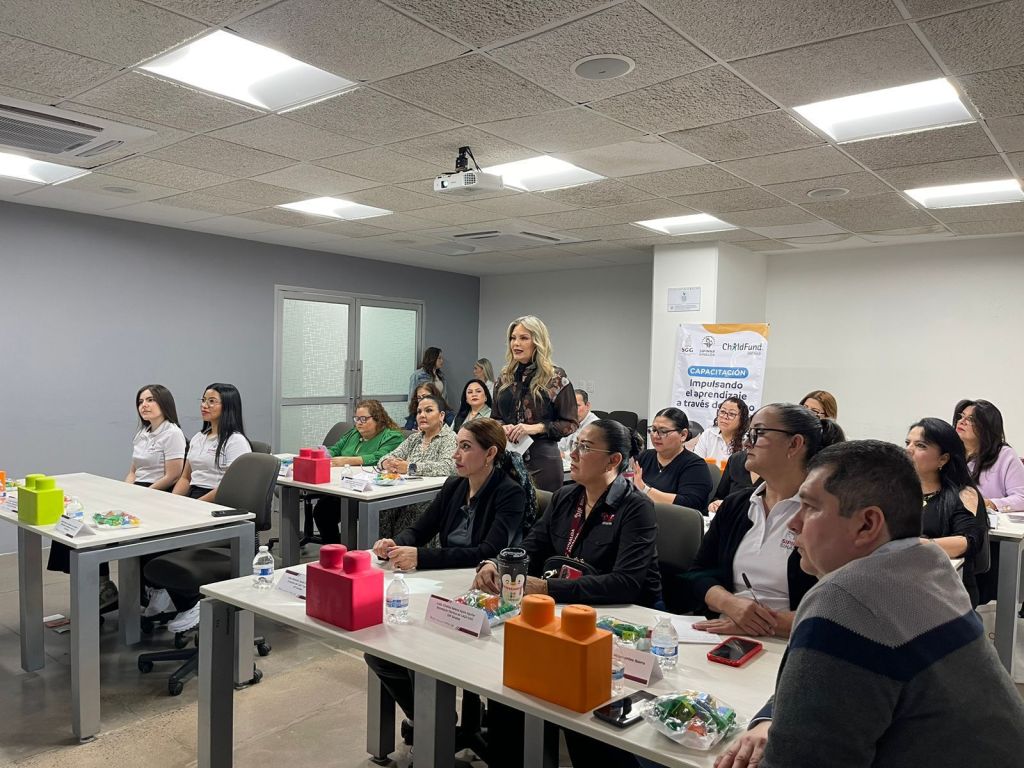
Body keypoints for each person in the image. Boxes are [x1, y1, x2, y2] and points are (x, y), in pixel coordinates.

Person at [715, 440, 1024, 768]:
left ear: (867, 524)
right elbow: (823, 688)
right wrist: (770, 718)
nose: (794, 522)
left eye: (810, 507)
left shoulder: (843, 600)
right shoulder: (927, 566)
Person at [474, 419, 658, 768]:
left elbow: (625, 583)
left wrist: (547, 588)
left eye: (585, 447)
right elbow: (532, 546)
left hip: (621, 620)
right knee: (508, 685)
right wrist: (499, 564)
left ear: (613, 460)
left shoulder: (636, 507)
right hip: (566, 613)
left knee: (572, 696)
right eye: (576, 444)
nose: (573, 453)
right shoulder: (566, 496)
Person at [365, 418, 535, 741]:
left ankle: (438, 729)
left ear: (490, 454)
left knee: (419, 644)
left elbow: (487, 552)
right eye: (457, 445)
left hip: (480, 592)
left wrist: (421, 557)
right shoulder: (454, 486)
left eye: (465, 447)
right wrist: (395, 543)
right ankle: (433, 720)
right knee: (379, 650)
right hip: (443, 585)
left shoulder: (509, 494)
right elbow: (421, 529)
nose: (456, 454)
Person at [686, 403, 845, 636]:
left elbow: (837, 607)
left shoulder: (827, 515)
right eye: (749, 433)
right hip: (722, 630)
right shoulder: (737, 504)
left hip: (792, 640)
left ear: (794, 444)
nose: (747, 443)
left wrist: (758, 623)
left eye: (758, 433)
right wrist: (730, 604)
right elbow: (698, 573)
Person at [48, 384, 187, 610]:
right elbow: (133, 471)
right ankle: (104, 584)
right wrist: (123, 492)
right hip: (138, 491)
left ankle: (129, 590)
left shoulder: (172, 433)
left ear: (164, 403)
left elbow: (173, 475)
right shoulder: (142, 433)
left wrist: (140, 494)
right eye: (140, 401)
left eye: (150, 400)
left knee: (103, 526)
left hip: (158, 493)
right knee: (78, 520)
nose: (144, 405)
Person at [905, 418, 988, 606]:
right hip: (902, 578)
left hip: (947, 589)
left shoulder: (964, 493)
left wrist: (915, 545)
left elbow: (968, 541)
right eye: (908, 443)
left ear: (943, 459)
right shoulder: (898, 491)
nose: (909, 450)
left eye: (920, 445)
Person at [492, 315, 578, 491]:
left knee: (542, 507)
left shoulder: (555, 378)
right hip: (506, 460)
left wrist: (535, 428)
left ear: (538, 342)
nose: (516, 344)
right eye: (513, 338)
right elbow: (495, 417)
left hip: (542, 461)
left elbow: (570, 423)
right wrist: (502, 427)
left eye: (524, 338)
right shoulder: (504, 378)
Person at [952, 398, 1024, 604]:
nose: (962, 421)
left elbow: (1021, 497)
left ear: (987, 427)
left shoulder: (1004, 455)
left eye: (971, 419)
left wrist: (989, 504)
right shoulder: (950, 454)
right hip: (956, 528)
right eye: (961, 416)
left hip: (991, 539)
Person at [311, 400, 404, 544]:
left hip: (370, 490)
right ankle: (336, 550)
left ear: (378, 419)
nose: (359, 423)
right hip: (343, 486)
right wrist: (325, 454)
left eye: (363, 419)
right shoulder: (354, 433)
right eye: (357, 419)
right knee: (322, 512)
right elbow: (336, 449)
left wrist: (348, 460)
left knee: (327, 510)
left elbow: (380, 457)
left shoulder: (392, 436)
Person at [377, 394, 457, 537]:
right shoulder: (414, 438)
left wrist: (410, 468)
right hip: (406, 492)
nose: (422, 415)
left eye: (429, 410)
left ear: (441, 415)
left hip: (433, 497)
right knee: (382, 508)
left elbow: (447, 467)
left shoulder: (450, 438)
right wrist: (386, 463)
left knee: (409, 512)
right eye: (419, 412)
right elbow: (387, 456)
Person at [172, 383, 251, 502]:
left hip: (217, 499)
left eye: (212, 401)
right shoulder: (198, 437)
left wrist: (196, 504)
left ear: (227, 406)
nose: (204, 405)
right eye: (203, 400)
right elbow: (185, 478)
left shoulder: (236, 441)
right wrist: (173, 500)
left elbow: (231, 485)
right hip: (193, 494)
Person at [632, 407, 712, 512]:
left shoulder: (696, 466)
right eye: (653, 430)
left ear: (683, 435)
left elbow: (689, 504)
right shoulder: (644, 457)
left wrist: (644, 489)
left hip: (677, 520)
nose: (655, 436)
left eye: (663, 431)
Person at [689, 396, 750, 465]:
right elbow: (696, 463)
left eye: (731, 414)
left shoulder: (746, 440)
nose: (725, 417)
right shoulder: (708, 434)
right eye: (722, 412)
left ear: (742, 419)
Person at [557, 389, 599, 456]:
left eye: (577, 405)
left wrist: (563, 455)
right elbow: (560, 444)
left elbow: (585, 455)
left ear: (587, 406)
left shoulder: (595, 427)